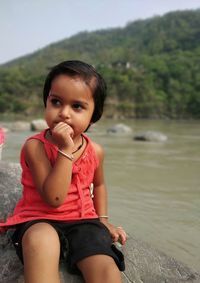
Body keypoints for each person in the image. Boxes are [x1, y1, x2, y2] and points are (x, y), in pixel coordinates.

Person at [0, 60, 126, 283]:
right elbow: (54, 198)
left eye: (77, 106)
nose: (64, 113)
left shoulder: (95, 151)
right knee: (41, 241)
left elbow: (99, 185)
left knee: (104, 265)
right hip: (40, 218)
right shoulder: (35, 147)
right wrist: (66, 150)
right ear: (46, 102)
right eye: (56, 102)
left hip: (83, 220)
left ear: (94, 115)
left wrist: (103, 219)